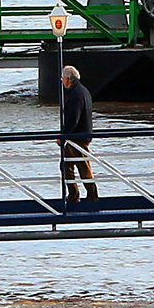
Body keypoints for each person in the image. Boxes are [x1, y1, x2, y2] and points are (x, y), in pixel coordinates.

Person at [58, 66, 99, 204]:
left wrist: (63, 135)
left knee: (78, 166)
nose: (62, 81)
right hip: (82, 134)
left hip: (76, 136)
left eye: (62, 79)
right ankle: (79, 194)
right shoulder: (84, 91)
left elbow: (72, 118)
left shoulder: (75, 95)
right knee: (70, 165)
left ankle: (83, 195)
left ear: (68, 79)